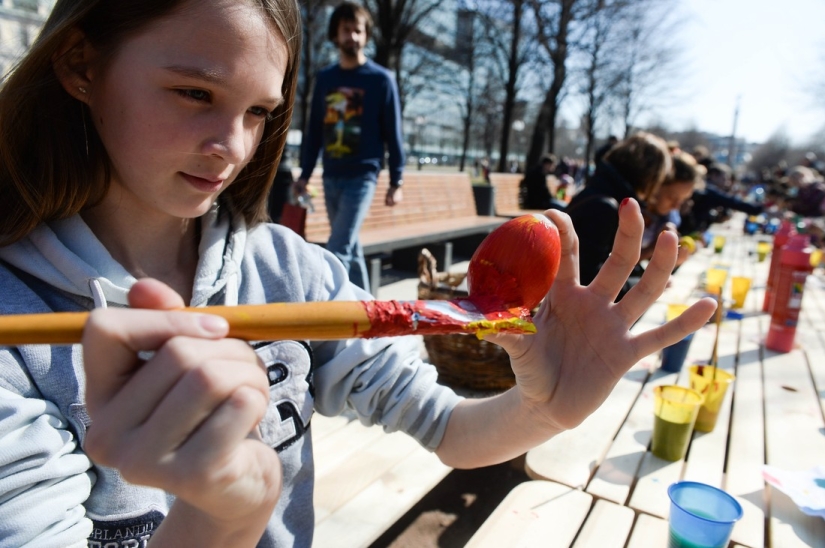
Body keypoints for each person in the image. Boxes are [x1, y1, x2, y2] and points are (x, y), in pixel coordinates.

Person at [0, 1, 716, 546]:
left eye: (259, 112)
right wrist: (224, 517)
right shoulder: (17, 331)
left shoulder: (291, 270)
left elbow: (450, 430)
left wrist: (545, 411)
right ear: (82, 66)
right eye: (194, 93)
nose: (231, 147)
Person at [295, 2, 404, 291]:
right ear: (336, 34)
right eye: (346, 30)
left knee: (338, 248)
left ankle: (320, 310)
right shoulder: (326, 79)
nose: (352, 37)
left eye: (358, 31)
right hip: (331, 175)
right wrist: (305, 175)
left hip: (362, 176)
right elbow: (315, 131)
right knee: (351, 249)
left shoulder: (381, 80)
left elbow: (394, 133)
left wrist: (397, 180)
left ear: (366, 35)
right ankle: (367, 313)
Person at [566, 132, 672, 299]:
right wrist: (645, 284)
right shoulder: (604, 208)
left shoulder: (602, 192)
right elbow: (589, 282)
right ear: (648, 176)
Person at [641, 151, 706, 267]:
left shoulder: (670, 216)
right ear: (656, 186)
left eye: (682, 200)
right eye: (672, 198)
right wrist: (653, 248)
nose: (676, 206)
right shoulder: (632, 211)